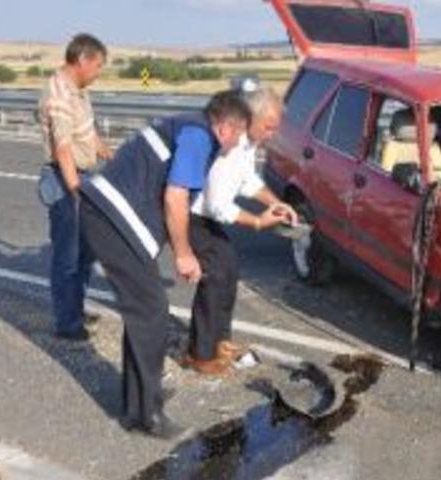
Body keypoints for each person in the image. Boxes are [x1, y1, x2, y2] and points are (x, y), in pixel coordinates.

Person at [78, 90, 251, 439]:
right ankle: (145, 415)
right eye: (241, 134)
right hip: (111, 220)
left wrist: (180, 247)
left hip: (109, 218)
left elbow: (170, 197)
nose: (239, 143)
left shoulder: (188, 127)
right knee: (151, 311)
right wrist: (185, 255)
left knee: (145, 311)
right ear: (227, 127)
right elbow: (175, 198)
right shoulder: (199, 137)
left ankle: (139, 399)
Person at [183, 84, 297, 375]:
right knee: (216, 273)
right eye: (269, 127)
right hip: (192, 213)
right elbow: (218, 206)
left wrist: (277, 203)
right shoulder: (231, 145)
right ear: (252, 117)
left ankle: (220, 341)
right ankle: (201, 353)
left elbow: (248, 181)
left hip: (207, 213)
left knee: (228, 267)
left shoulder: (249, 142)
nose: (272, 134)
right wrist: (258, 222)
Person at [37, 33, 112, 341]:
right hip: (66, 180)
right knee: (67, 257)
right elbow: (64, 148)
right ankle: (67, 324)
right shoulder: (59, 95)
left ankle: (76, 310)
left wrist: (109, 152)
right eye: (97, 66)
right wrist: (76, 190)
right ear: (82, 60)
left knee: (85, 254)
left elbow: (87, 133)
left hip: (82, 177)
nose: (98, 73)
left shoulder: (78, 91)